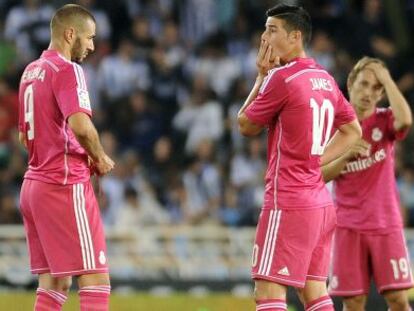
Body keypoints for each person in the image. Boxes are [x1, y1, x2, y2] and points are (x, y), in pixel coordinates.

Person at [237, 4, 362, 311]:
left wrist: (260, 77)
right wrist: (316, 162)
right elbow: (352, 129)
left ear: (295, 37)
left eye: (272, 29)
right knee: (315, 293)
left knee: (268, 293)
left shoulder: (283, 77)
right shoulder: (325, 78)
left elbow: (245, 124)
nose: (264, 37)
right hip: (320, 203)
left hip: (288, 202)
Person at [18, 4, 114, 311]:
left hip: (34, 186)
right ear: (69, 33)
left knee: (54, 283)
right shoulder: (68, 69)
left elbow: (24, 136)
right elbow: (81, 126)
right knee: (96, 278)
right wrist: (99, 157)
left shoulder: (30, 71)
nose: (92, 46)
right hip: (63, 184)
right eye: (89, 38)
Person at [324, 57, 413, 310]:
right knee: (353, 303)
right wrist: (345, 155)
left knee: (398, 300)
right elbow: (319, 175)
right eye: (364, 84)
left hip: (386, 224)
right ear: (350, 84)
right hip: (347, 227)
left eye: (376, 88)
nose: (368, 93)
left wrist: (386, 77)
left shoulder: (385, 120)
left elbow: (406, 120)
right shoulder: (333, 127)